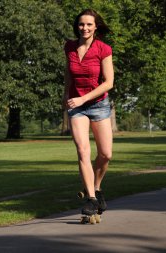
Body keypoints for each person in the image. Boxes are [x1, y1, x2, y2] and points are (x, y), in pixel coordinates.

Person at [63, 9, 114, 217]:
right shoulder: (70, 47)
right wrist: (65, 97)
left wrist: (84, 98)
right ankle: (91, 199)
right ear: (77, 26)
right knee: (83, 151)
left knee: (105, 154)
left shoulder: (103, 49)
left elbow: (109, 82)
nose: (84, 28)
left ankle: (97, 187)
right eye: (81, 24)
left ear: (96, 27)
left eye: (89, 25)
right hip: (76, 107)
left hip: (99, 105)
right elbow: (68, 75)